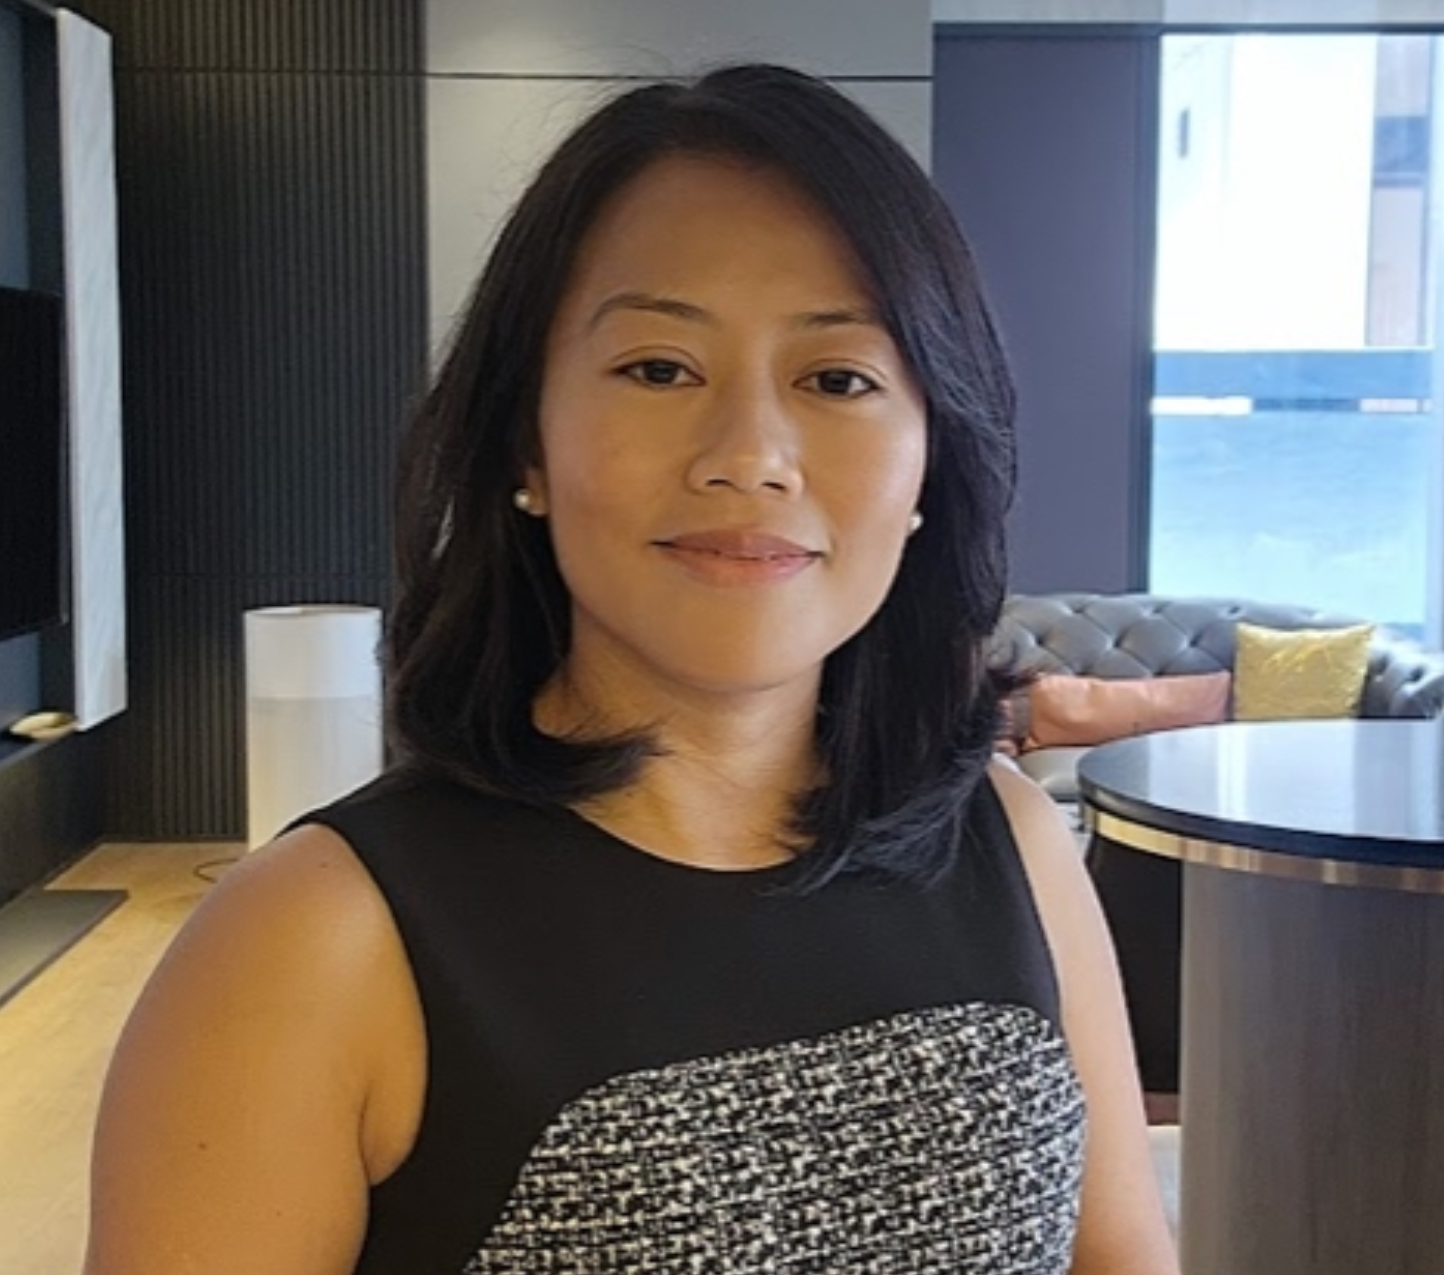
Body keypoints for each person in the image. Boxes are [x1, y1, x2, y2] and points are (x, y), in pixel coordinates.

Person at [83, 64, 1180, 1275]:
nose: (749, 456)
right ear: (527, 442)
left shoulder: (1008, 841)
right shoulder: (313, 938)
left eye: (838, 379)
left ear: (932, 458)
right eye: (659, 368)